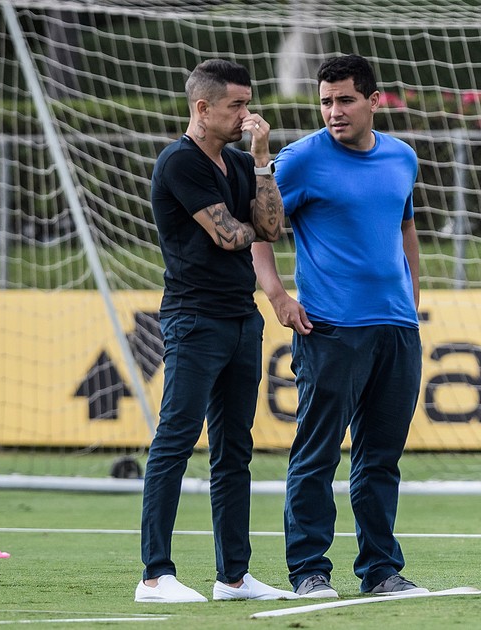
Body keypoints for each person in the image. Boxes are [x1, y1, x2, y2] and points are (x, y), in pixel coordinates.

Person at [251, 54, 427, 599]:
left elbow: (405, 229)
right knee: (318, 453)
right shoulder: (301, 160)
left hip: (397, 330)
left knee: (381, 459)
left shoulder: (402, 157)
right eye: (326, 101)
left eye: (345, 99)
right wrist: (276, 295)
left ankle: (381, 570)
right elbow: (259, 226)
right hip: (330, 331)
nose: (334, 111)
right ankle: (309, 570)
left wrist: (412, 299)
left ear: (373, 101)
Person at [137, 58, 296, 604]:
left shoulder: (240, 161)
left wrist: (261, 162)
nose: (246, 115)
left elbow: (271, 228)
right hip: (194, 318)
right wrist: (250, 222)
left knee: (234, 449)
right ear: (202, 108)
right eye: (236, 106)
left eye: (248, 104)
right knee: (175, 440)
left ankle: (234, 577)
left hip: (241, 317)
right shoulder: (179, 162)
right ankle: (154, 576)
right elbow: (230, 237)